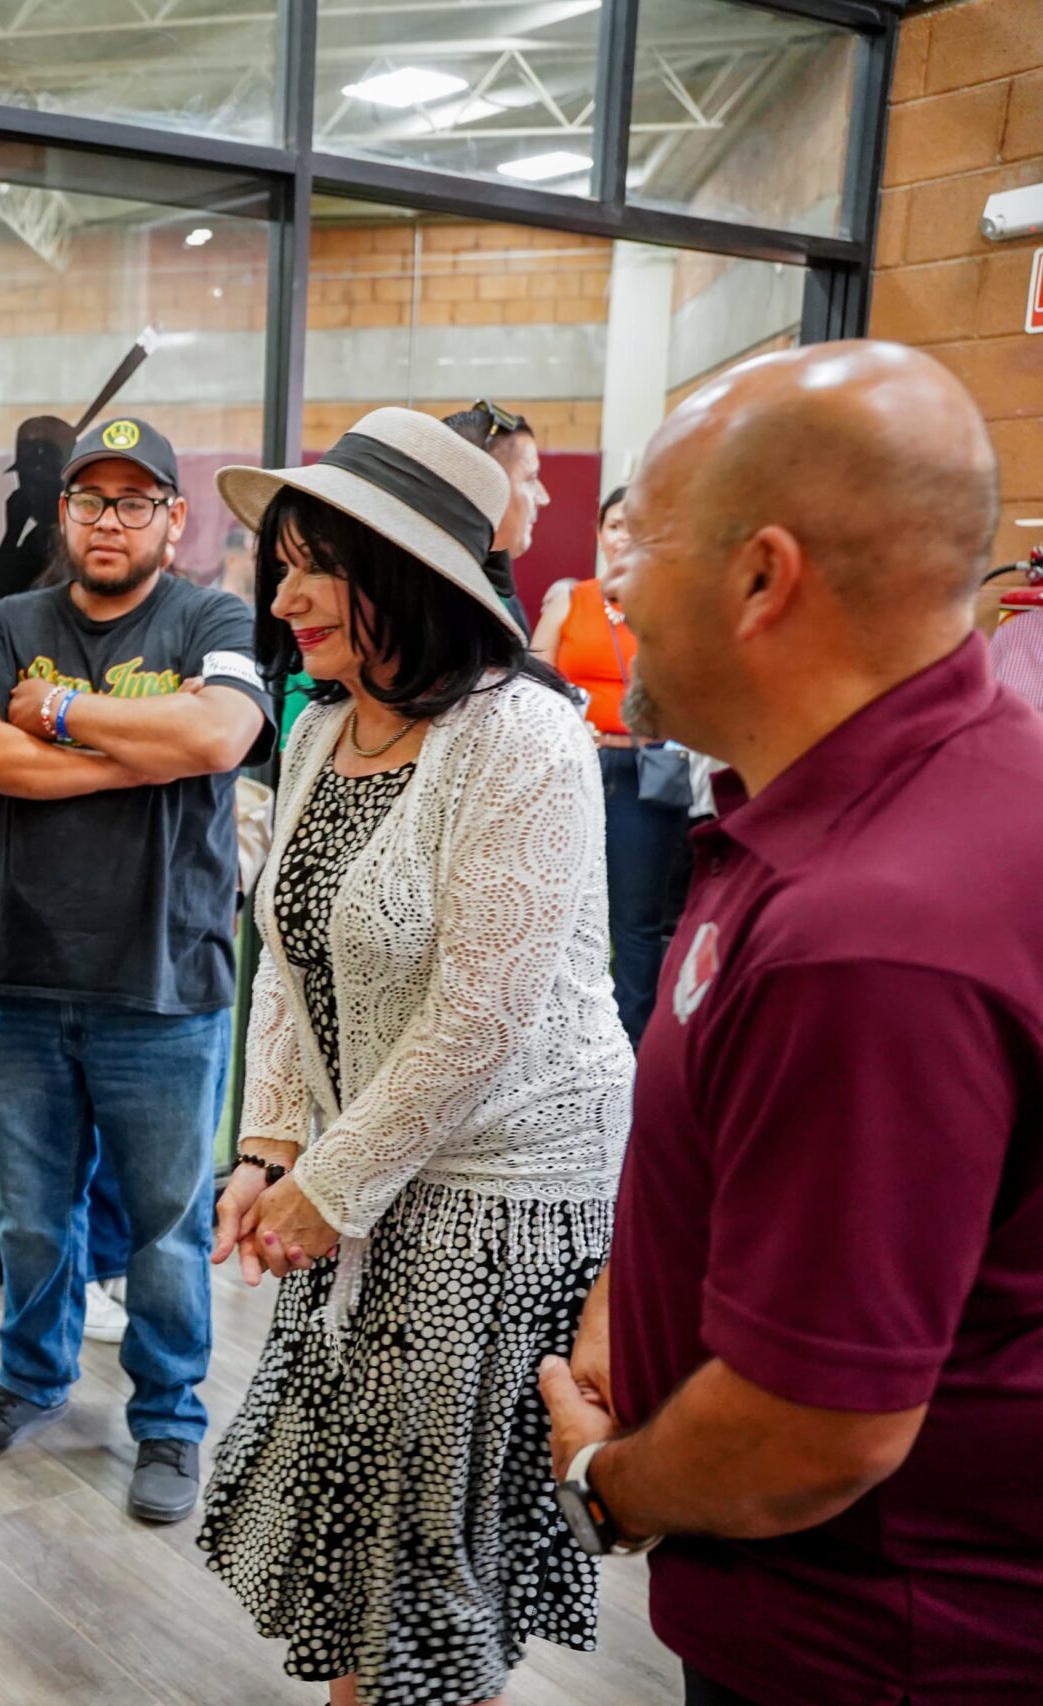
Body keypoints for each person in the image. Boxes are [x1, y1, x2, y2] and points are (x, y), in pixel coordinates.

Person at [535, 341, 1043, 1706]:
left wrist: (607, 1481)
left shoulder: (874, 930)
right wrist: (629, 1289)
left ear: (763, 576)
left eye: (643, 533)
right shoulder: (873, 805)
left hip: (872, 1642)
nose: (616, 579)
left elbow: (816, 1428)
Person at [192, 407, 633, 1706]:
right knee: (373, 1548)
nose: (282, 596)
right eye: (280, 564)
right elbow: (283, 940)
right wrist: (270, 1144)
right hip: (365, 1174)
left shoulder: (525, 738)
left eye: (309, 565)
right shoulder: (328, 722)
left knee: (430, 1568)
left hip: (497, 1196)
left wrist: (328, 1187)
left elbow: (481, 1016)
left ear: (406, 569)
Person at [0, 415, 272, 1523]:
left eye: (135, 502)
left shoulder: (213, 615)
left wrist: (68, 716)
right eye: (91, 500)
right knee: (32, 1215)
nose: (108, 520)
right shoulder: (12, 619)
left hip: (165, 984)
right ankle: (31, 1378)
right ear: (66, 512)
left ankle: (170, 1421)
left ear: (173, 520)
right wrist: (133, 750)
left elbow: (219, 736)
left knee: (165, 1228)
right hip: (26, 977)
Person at [528, 486, 693, 1044]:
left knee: (637, 925)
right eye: (616, 524)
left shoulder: (673, 604)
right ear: (600, 534)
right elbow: (533, 676)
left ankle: (630, 1056)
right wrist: (568, 718)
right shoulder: (570, 599)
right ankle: (562, 1046)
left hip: (647, 773)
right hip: (575, 769)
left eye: (637, 526)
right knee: (560, 917)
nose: (625, 535)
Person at [442, 400, 547, 636]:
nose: (543, 497)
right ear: (485, 487)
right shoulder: (445, 605)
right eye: (530, 479)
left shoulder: (499, 593)